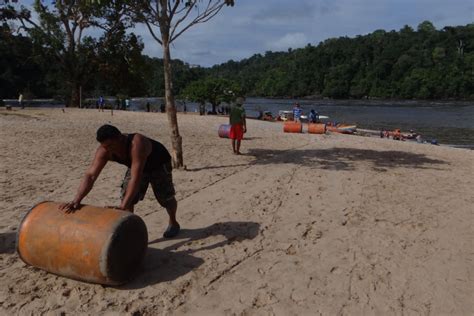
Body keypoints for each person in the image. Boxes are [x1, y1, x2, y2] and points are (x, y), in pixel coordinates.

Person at [59, 124, 180, 238]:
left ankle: (173, 222)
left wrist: (122, 207)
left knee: (166, 198)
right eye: (105, 146)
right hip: (136, 167)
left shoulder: (137, 144)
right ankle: (130, 230)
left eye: (111, 145)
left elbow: (135, 177)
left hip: (158, 164)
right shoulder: (104, 150)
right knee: (127, 196)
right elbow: (90, 175)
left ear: (120, 138)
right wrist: (76, 200)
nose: (109, 150)